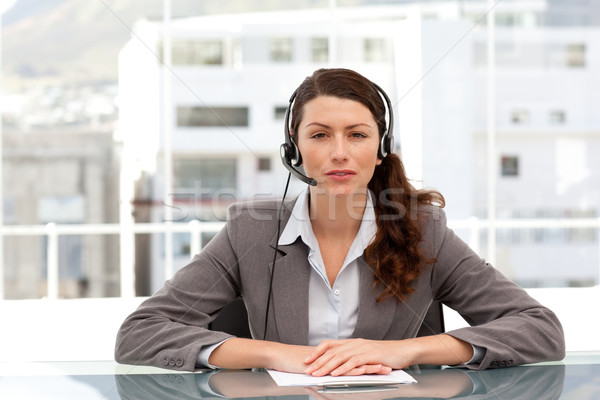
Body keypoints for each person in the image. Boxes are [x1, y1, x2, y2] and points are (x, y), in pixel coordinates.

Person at [115, 68, 565, 375]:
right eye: (319, 135)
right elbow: (139, 334)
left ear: (381, 145)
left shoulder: (423, 230)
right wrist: (278, 356)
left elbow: (540, 329)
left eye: (357, 135)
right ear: (294, 147)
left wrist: (403, 352)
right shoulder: (249, 230)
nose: (339, 153)